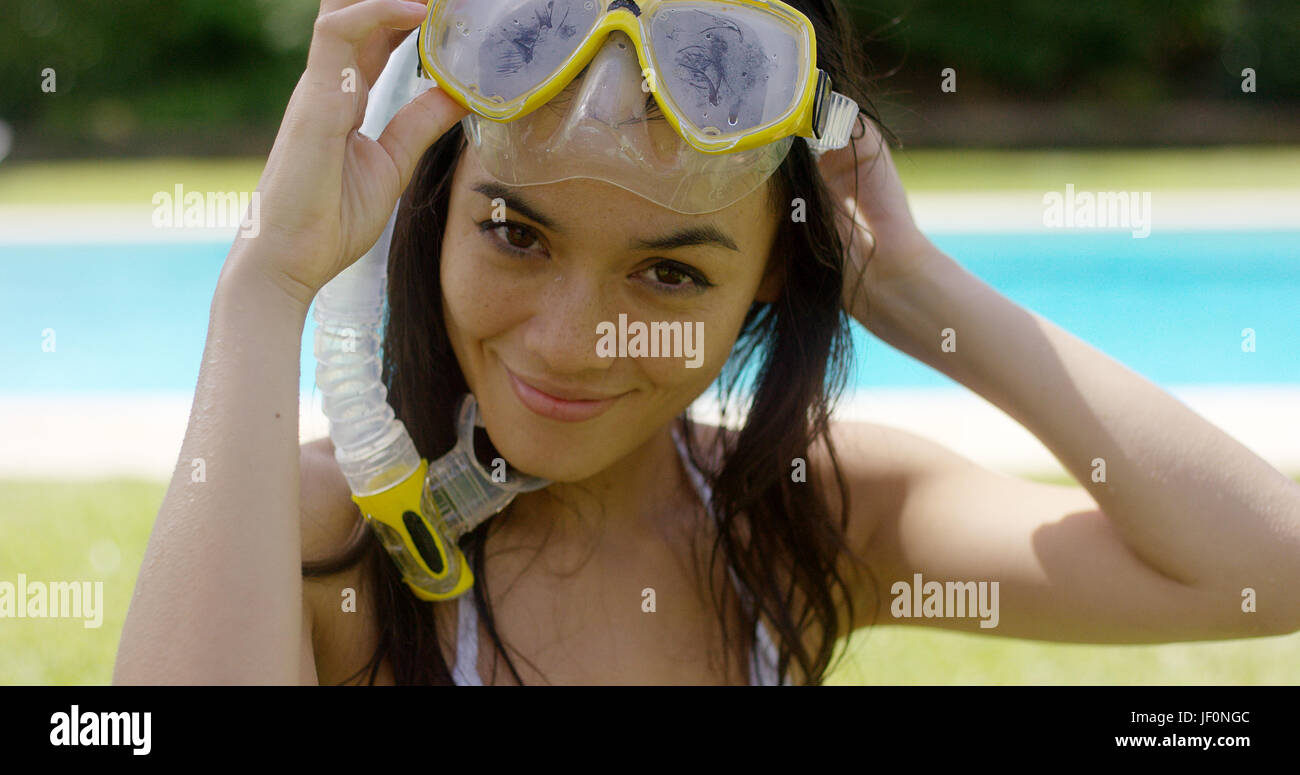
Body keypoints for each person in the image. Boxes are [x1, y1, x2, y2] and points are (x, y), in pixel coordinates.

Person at [115, 0, 1300, 686]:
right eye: (515, 235)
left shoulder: (801, 519)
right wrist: (267, 283)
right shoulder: (325, 538)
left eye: (671, 270)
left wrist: (921, 287)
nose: (571, 341)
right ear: (423, 219)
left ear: (775, 274)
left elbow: (1265, 565)